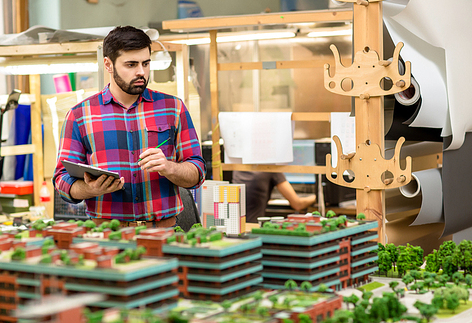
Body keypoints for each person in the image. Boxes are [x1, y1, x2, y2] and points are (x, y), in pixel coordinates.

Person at [53, 26, 206, 228]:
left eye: (146, 63)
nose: (141, 72)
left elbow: (198, 171)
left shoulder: (173, 108)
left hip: (163, 233)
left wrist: (169, 167)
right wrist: (90, 189)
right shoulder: (80, 115)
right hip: (109, 236)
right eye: (131, 64)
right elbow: (62, 181)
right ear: (108, 65)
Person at [232, 171, 316, 223]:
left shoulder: (238, 168)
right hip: (252, 230)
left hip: (234, 228)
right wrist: (317, 197)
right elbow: (297, 204)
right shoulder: (269, 168)